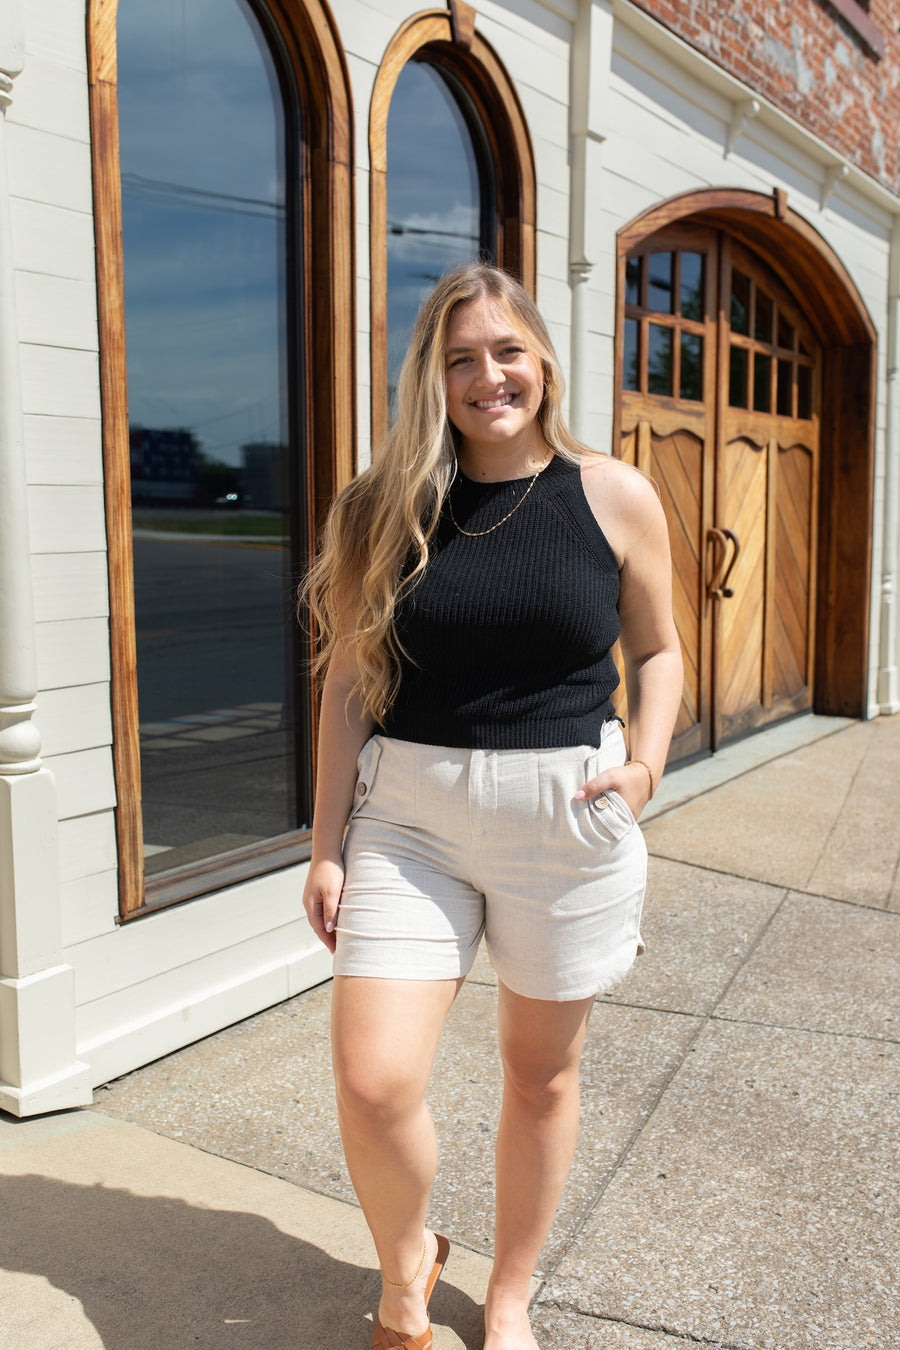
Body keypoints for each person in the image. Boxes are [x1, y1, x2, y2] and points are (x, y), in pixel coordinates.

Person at [301, 263, 683, 1350]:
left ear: (543, 361)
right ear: (433, 374)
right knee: (373, 1081)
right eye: (460, 358)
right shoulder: (383, 507)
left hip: (565, 816)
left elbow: (659, 651)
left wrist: (646, 769)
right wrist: (327, 849)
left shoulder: (611, 494)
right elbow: (346, 687)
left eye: (506, 350)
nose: (487, 376)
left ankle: (511, 1294)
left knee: (539, 1074)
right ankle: (409, 1258)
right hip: (409, 816)